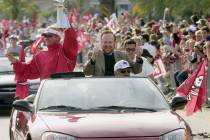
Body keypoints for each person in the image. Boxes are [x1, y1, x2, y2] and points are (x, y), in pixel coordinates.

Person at [6, 24, 78, 80]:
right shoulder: (39, 55)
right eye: (45, 36)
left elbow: (71, 40)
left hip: (64, 91)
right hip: (46, 93)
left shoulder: (65, 51)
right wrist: (16, 63)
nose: (46, 38)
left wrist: (66, 23)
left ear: (58, 37)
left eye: (49, 36)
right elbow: (28, 71)